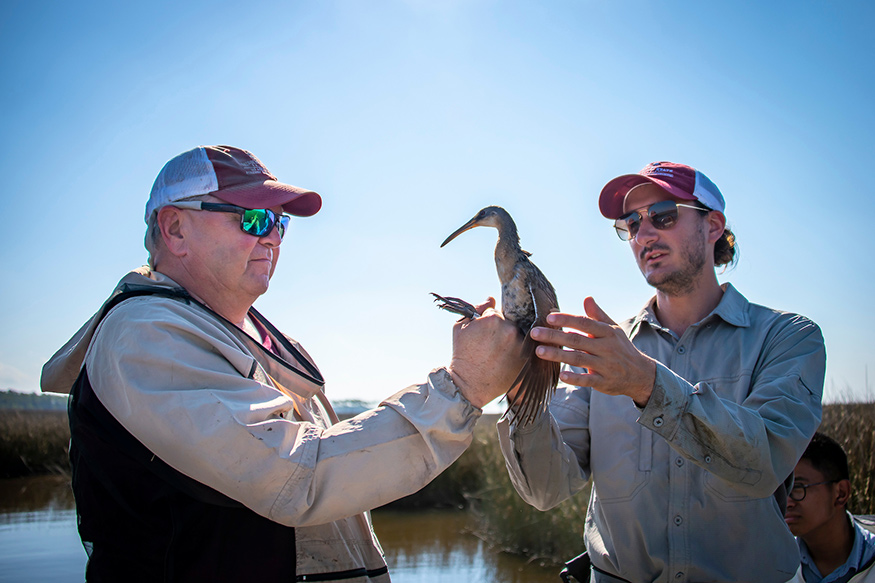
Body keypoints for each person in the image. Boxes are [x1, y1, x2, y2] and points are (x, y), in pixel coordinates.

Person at [41, 145, 526, 582]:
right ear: (174, 228)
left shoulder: (266, 343)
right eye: (252, 218)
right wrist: (461, 389)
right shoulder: (144, 336)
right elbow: (299, 478)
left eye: (280, 222)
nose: (272, 237)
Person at [497, 161, 827, 582]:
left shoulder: (789, 338)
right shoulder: (600, 351)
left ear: (713, 226)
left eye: (664, 215)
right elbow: (546, 489)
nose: (644, 234)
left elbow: (764, 462)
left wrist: (645, 383)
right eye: (631, 224)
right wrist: (520, 387)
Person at [785, 432, 875, 582]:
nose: (787, 502)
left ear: (841, 493)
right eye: (781, 490)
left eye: (798, 487)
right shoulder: (773, 567)